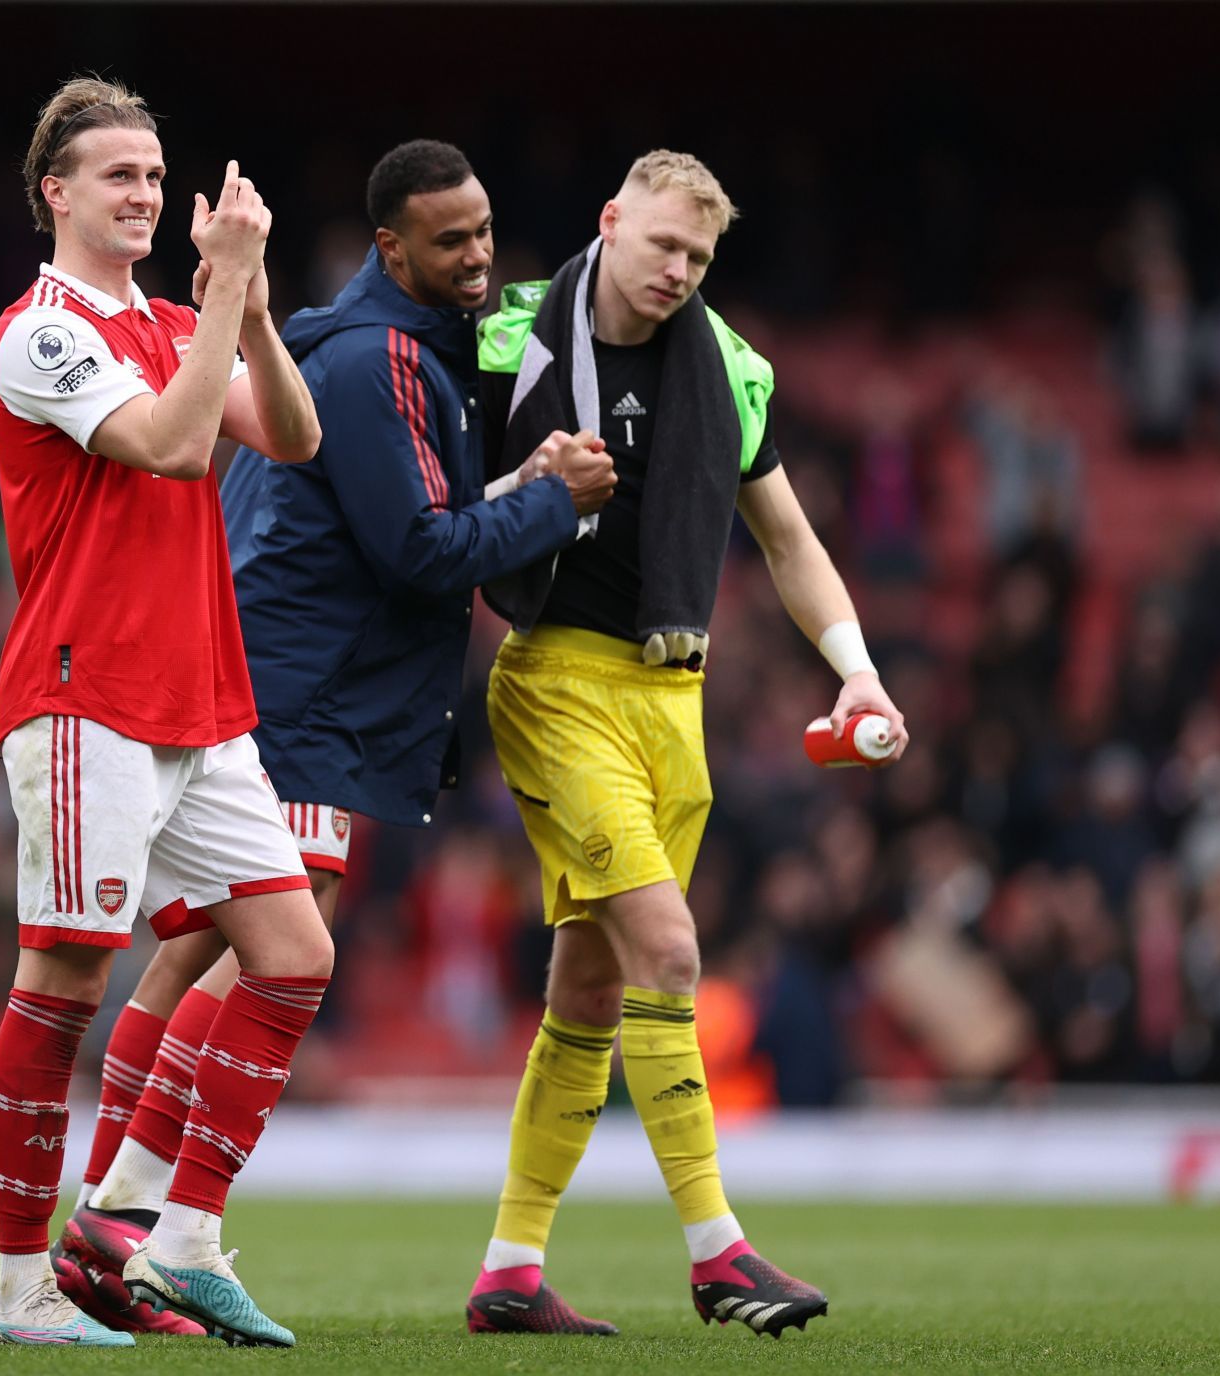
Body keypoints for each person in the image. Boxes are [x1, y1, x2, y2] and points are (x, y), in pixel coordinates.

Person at [54, 139, 617, 1331]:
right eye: (449, 240)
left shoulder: (355, 339)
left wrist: (519, 455)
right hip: (303, 685)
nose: (476, 259)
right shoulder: (376, 361)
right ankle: (153, 1208)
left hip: (267, 665)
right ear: (390, 247)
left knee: (211, 934)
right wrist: (545, 502)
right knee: (278, 928)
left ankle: (115, 1208)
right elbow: (418, 548)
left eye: (485, 234)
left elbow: (443, 443)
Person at [463, 151, 909, 1338]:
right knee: (668, 946)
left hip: (674, 701)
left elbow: (790, 540)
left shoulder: (733, 370)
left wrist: (856, 667)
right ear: (610, 221)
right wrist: (529, 480)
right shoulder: (508, 334)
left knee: (592, 986)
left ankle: (510, 1268)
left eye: (700, 258)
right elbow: (431, 492)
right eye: (662, 243)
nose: (678, 271)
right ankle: (719, 1250)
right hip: (555, 681)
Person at [0, 74, 332, 1349]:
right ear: (54, 192)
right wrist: (224, 298)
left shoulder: (182, 316)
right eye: (116, 174)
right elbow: (180, 446)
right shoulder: (42, 332)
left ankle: (180, 1240)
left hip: (198, 702)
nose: (141, 193)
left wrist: (258, 311)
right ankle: (24, 1289)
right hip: (89, 696)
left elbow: (289, 437)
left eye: (153, 172)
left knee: (295, 955)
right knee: (65, 977)